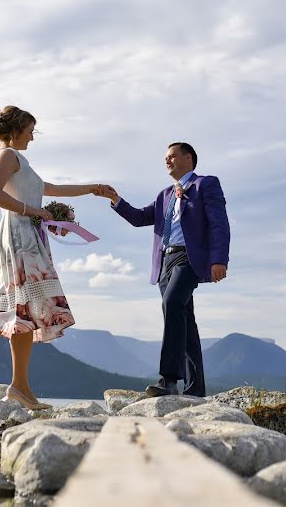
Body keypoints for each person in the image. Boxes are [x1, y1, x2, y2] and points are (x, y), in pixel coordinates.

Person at [0, 106, 108, 409]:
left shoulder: (20, 161)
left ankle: (19, 386)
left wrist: (91, 189)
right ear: (15, 130)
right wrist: (33, 211)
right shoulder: (8, 155)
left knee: (23, 312)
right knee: (10, 307)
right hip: (17, 238)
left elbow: (52, 188)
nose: (33, 137)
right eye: (30, 130)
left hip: (27, 237)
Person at [101, 143, 230, 397]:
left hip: (189, 258)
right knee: (185, 322)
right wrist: (115, 199)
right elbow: (139, 218)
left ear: (188, 158)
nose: (167, 161)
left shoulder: (205, 184)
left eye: (172, 156)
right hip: (165, 262)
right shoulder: (165, 195)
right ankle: (196, 389)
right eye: (165, 158)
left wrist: (220, 259)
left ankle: (168, 379)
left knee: (171, 304)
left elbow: (219, 222)